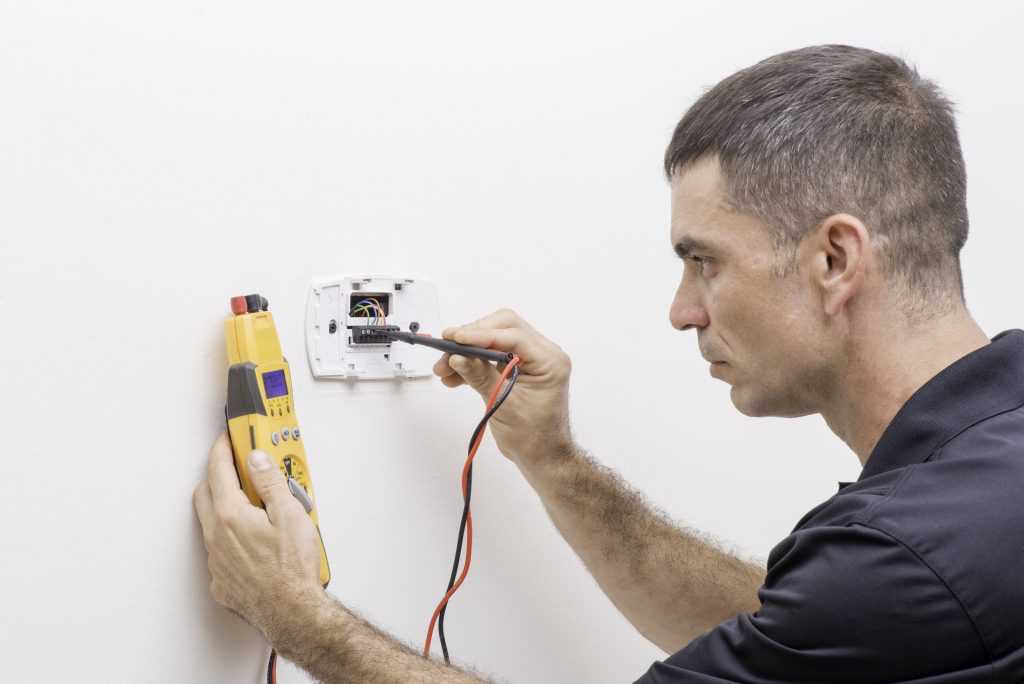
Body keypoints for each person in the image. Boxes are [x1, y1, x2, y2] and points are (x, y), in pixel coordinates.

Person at [193, 44, 1024, 682]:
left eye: (704, 261)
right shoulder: (974, 490)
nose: (682, 310)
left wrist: (291, 611)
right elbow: (793, 631)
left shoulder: (898, 559)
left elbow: (846, 604)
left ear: (835, 259)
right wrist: (552, 459)